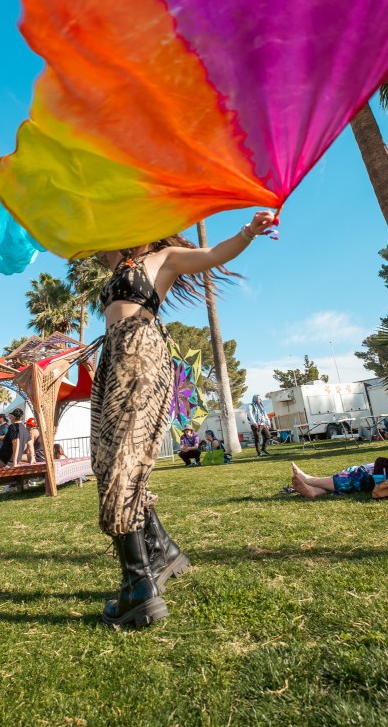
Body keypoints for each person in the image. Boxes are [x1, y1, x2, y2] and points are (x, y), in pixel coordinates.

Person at [92, 209, 277, 628]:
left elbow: (215, 253)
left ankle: (138, 585)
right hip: (112, 356)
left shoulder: (167, 257)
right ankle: (162, 551)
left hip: (141, 352)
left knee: (124, 460)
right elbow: (77, 231)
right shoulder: (115, 259)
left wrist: (249, 231)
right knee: (108, 461)